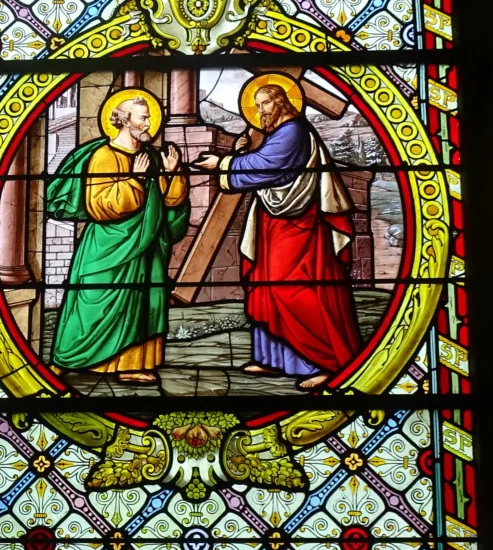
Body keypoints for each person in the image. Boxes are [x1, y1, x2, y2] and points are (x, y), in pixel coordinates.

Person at [194, 83, 361, 389]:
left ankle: (323, 361)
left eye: (264, 104)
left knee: (297, 290)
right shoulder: (277, 135)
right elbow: (263, 170)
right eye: (257, 106)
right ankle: (274, 359)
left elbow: (270, 165)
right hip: (274, 223)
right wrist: (239, 155)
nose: (260, 112)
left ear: (281, 103)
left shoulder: (293, 131)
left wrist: (223, 163)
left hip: (300, 228)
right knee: (266, 286)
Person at [47, 93, 189, 384]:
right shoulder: (104, 156)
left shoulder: (151, 157)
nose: (149, 122)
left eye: (149, 116)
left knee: (143, 303)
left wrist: (173, 175)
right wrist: (134, 180)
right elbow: (99, 205)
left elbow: (169, 202)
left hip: (147, 246)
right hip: (108, 247)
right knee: (94, 302)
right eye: (143, 117)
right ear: (125, 121)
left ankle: (131, 364)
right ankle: (69, 357)